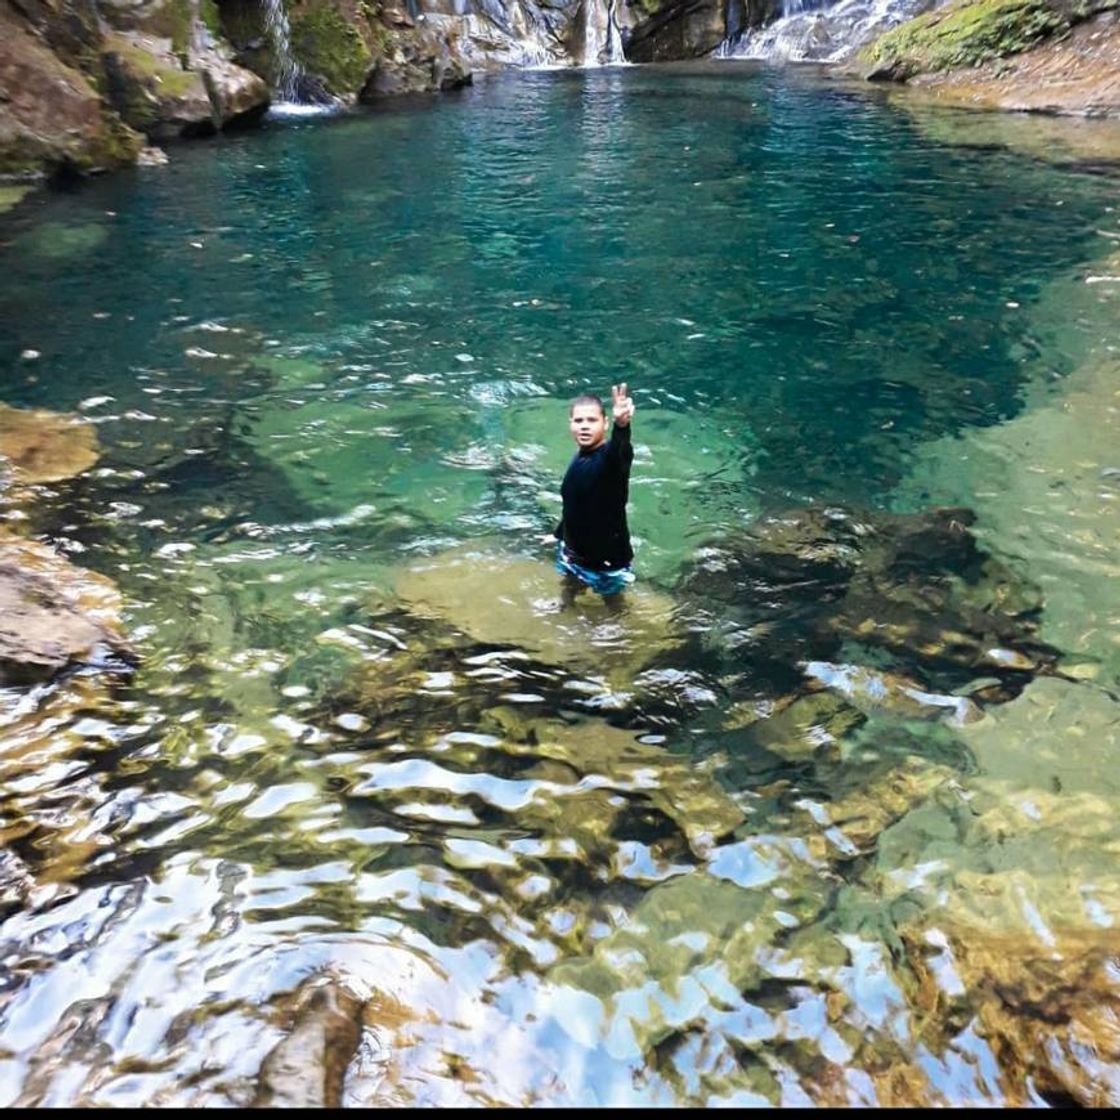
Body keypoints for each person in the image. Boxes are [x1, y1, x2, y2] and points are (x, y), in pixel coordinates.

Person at [550, 383, 636, 599]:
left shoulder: (611, 460)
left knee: (614, 612)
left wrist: (622, 425)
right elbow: (574, 505)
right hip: (572, 555)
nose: (584, 426)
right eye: (579, 421)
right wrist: (558, 535)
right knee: (567, 593)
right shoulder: (579, 458)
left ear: (605, 423)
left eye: (592, 420)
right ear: (570, 424)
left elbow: (621, 449)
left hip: (607, 564)